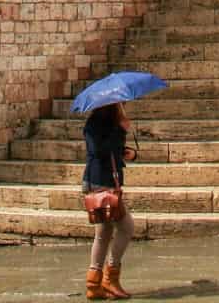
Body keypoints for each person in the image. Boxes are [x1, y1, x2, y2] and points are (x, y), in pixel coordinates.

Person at [83, 103, 137, 300]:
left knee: (104, 232)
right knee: (126, 227)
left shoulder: (105, 123)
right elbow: (99, 151)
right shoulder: (95, 123)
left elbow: (112, 150)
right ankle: (110, 278)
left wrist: (129, 152)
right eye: (119, 103)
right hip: (100, 183)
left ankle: (93, 283)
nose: (122, 106)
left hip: (102, 181)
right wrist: (120, 130)